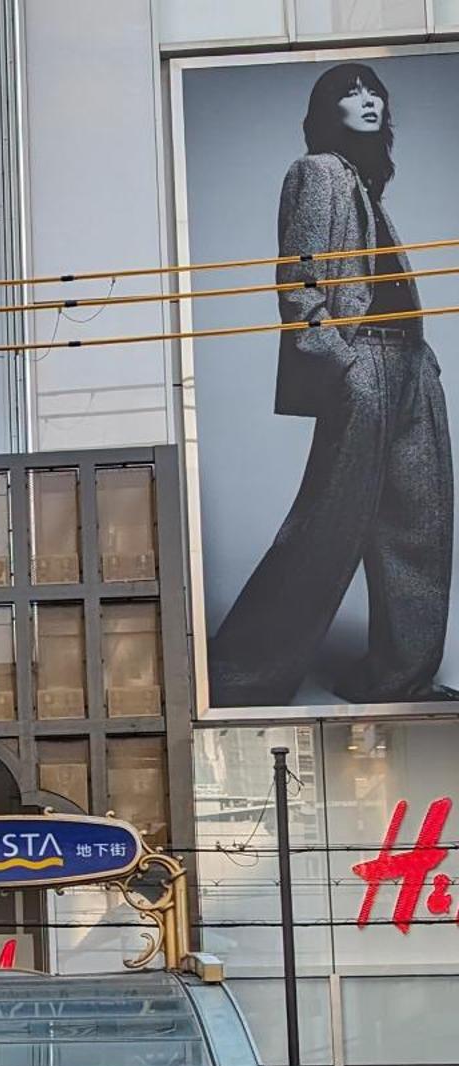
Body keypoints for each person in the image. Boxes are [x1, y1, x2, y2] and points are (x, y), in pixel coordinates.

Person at [208, 61, 454, 707]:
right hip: (366, 363)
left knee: (420, 532)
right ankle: (239, 673)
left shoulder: (368, 189)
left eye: (375, 89)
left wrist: (422, 364)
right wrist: (337, 358)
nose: (368, 98)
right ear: (326, 109)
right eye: (350, 91)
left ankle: (400, 679)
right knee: (326, 529)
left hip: (410, 366)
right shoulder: (316, 171)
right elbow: (302, 275)